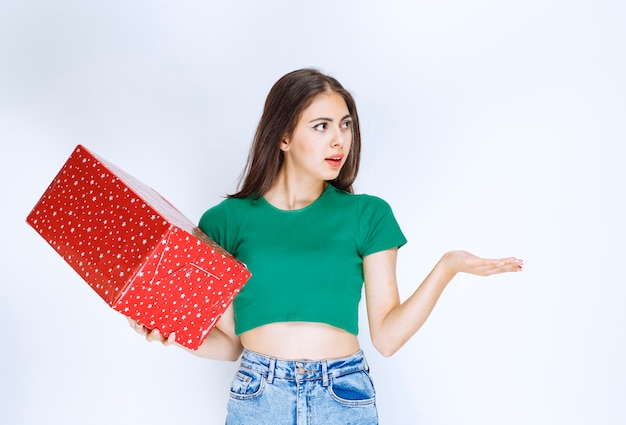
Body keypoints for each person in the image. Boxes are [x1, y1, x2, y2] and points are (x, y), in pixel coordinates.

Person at [129, 68, 523, 424]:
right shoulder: (225, 222)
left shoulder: (367, 215)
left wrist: (447, 266)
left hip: (343, 393)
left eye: (346, 125)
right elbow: (230, 344)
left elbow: (386, 337)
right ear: (283, 137)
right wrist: (174, 334)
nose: (339, 140)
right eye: (321, 126)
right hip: (258, 394)